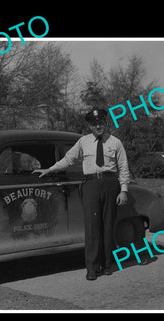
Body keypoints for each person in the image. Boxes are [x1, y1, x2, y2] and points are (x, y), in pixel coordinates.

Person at [33, 109, 130, 280]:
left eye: (100, 122)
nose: (98, 126)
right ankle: (92, 268)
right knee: (92, 227)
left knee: (107, 226)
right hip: (90, 185)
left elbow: (123, 168)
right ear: (90, 126)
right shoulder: (83, 141)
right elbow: (69, 159)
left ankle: (107, 264)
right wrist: (50, 169)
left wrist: (124, 190)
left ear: (106, 123)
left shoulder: (116, 143)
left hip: (110, 184)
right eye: (94, 124)